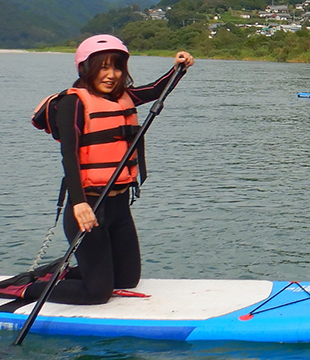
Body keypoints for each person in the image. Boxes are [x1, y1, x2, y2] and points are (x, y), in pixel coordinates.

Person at [25, 35, 194, 305]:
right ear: (85, 68)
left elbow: (155, 90)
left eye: (116, 68)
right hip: (89, 206)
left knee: (127, 279)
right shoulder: (73, 102)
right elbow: (69, 154)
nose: (111, 75)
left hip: (119, 206)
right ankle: (25, 290)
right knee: (98, 294)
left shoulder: (124, 97)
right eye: (103, 67)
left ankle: (61, 273)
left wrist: (179, 68)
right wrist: (79, 204)